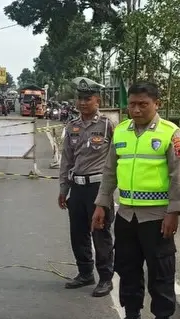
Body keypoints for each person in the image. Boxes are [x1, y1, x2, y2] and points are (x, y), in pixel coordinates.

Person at [92, 81, 180, 319]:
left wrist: (174, 211)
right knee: (127, 267)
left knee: (161, 271)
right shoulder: (121, 131)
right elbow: (110, 171)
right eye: (132, 104)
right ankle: (132, 318)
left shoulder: (170, 133)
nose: (136, 109)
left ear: (157, 104)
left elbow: (177, 176)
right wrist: (102, 203)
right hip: (126, 215)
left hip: (157, 217)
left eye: (143, 104)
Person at [58, 79, 115, 297]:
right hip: (77, 187)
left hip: (98, 188)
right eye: (80, 98)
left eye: (87, 99)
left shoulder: (108, 125)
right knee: (78, 233)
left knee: (100, 233)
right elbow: (66, 160)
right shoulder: (72, 126)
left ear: (97, 100)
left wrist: (109, 192)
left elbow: (116, 157)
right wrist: (63, 189)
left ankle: (106, 278)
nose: (82, 103)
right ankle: (85, 273)